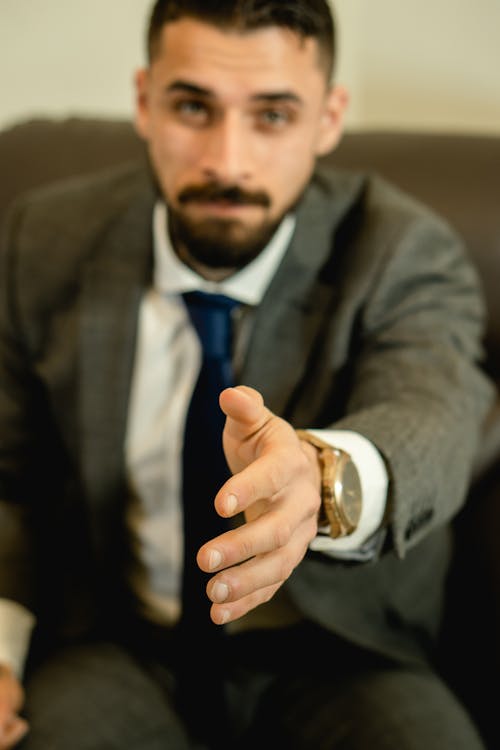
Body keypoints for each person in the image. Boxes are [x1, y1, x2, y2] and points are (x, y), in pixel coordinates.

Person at [0, 1, 494, 748]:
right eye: (193, 106)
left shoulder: (404, 250)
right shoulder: (43, 238)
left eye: (272, 115)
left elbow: (438, 415)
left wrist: (324, 478)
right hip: (117, 643)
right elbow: (8, 476)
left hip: (339, 656)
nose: (228, 161)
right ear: (143, 101)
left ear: (328, 120)